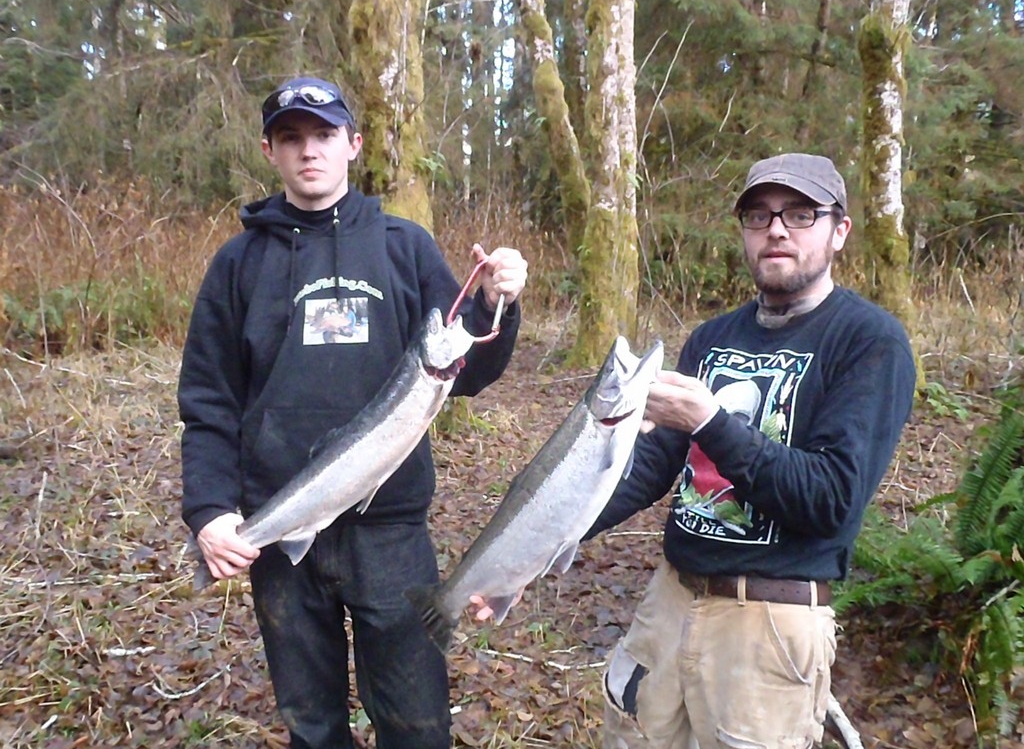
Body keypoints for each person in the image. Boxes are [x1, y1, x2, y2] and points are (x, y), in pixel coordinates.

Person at [177, 75, 528, 749]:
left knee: (416, 723)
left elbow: (469, 371)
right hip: (282, 527)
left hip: (390, 532)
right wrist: (210, 510)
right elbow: (208, 399)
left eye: (324, 134)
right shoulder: (238, 263)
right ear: (269, 151)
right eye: (291, 138)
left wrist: (494, 305)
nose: (309, 150)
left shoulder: (405, 246)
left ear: (353, 144)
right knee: (312, 725)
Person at [584, 153, 917, 748]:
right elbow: (652, 468)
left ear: (840, 231)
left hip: (767, 631)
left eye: (800, 214)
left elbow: (831, 500)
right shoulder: (712, 337)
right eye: (759, 215)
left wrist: (711, 422)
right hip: (668, 606)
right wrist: (536, 548)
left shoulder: (869, 341)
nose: (777, 230)